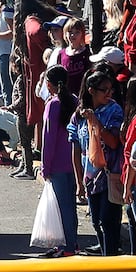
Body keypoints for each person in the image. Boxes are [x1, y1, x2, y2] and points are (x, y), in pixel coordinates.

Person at [72, 72, 124, 256]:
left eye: (111, 89)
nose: (109, 93)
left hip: (109, 173)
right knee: (95, 221)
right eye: (104, 90)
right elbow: (76, 148)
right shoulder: (78, 115)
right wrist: (79, 181)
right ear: (91, 90)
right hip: (89, 175)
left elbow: (113, 142)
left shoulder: (114, 110)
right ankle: (104, 256)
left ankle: (110, 259)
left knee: (107, 221)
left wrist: (95, 123)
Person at [39, 65, 79, 257]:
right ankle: (72, 242)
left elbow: (49, 138)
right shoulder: (75, 101)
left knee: (61, 207)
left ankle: (68, 246)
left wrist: (44, 166)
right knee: (70, 205)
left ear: (49, 84)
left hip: (57, 165)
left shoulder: (53, 104)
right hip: (74, 163)